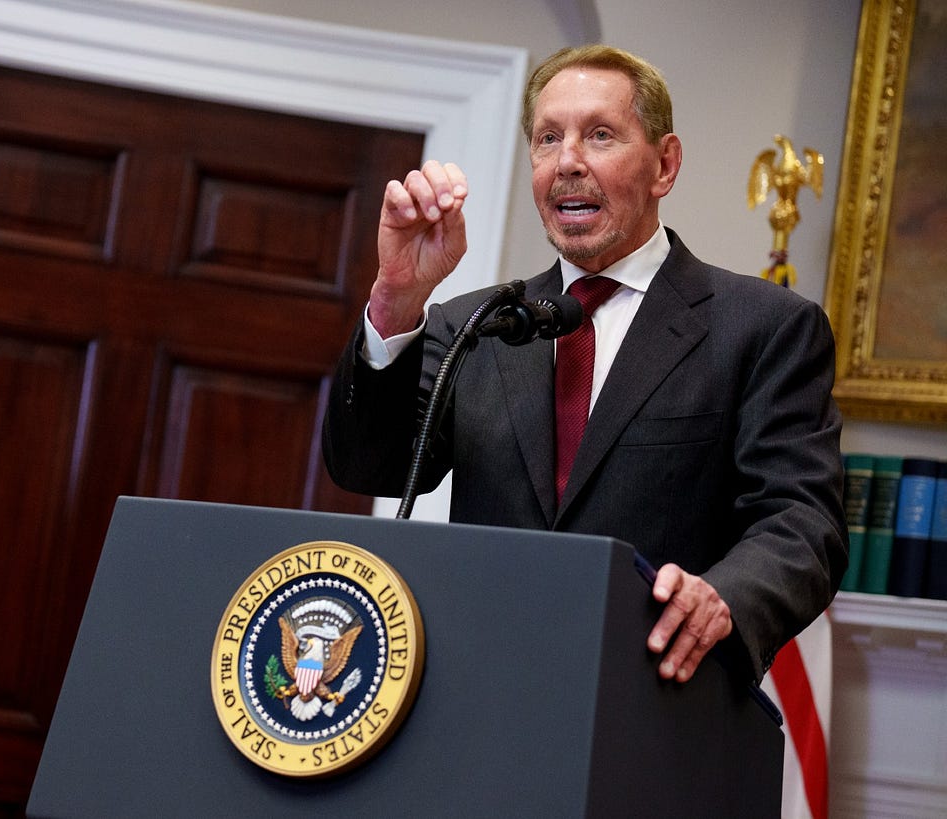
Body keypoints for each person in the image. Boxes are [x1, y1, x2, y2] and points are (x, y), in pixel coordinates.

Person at [323, 45, 846, 687]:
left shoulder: (762, 328)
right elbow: (367, 467)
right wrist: (396, 299)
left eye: (600, 135)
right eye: (548, 138)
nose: (568, 161)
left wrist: (721, 599)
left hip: (655, 694)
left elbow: (802, 523)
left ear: (664, 165)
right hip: (480, 687)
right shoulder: (476, 326)